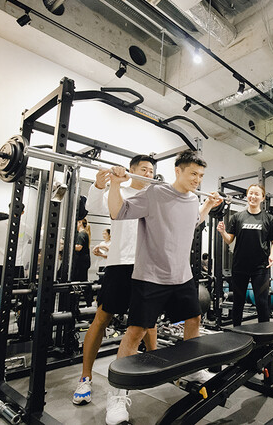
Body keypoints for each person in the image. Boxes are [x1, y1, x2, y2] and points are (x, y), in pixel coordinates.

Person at [106, 150, 221, 425]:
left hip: (181, 275)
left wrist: (207, 206)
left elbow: (192, 222)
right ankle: (117, 395)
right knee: (136, 332)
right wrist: (115, 184)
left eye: (201, 175)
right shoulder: (154, 193)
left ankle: (192, 369)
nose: (197, 179)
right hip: (151, 275)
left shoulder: (193, 199)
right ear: (177, 171)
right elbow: (117, 211)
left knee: (194, 320)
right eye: (193, 173)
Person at [73, 155, 157, 407]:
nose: (149, 174)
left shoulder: (155, 196)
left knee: (147, 321)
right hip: (120, 263)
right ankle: (85, 377)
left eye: (151, 171)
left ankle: (157, 367)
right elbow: (95, 207)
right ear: (132, 170)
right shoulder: (119, 190)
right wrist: (100, 185)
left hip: (147, 264)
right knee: (102, 318)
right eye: (144, 169)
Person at [217, 184, 273, 327]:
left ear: (262, 198)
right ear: (247, 195)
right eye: (251, 193)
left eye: (257, 194)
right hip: (240, 266)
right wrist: (222, 232)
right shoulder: (237, 217)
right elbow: (229, 240)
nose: (253, 196)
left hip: (261, 267)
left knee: (262, 303)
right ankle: (236, 333)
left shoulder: (269, 218)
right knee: (238, 302)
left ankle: (264, 335)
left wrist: (272, 255)